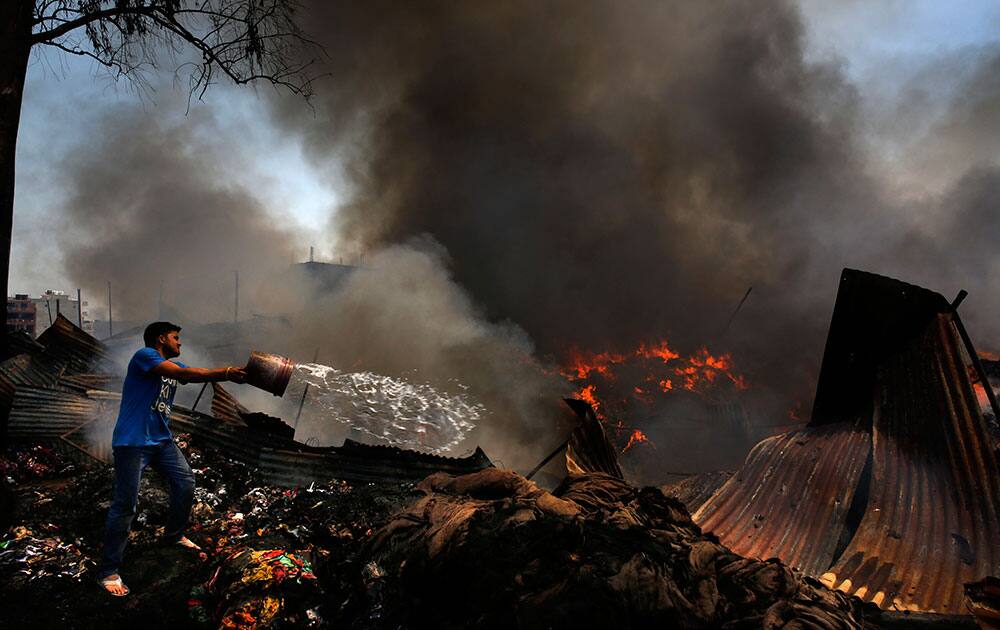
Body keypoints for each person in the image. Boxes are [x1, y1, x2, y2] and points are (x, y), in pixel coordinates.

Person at [97, 321, 247, 597]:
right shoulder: (145, 356)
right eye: (176, 338)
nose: (180, 343)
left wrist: (234, 374)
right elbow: (189, 372)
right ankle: (109, 571)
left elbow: (189, 375)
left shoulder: (172, 367)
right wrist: (225, 372)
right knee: (126, 504)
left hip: (161, 440)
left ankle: (174, 535)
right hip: (133, 441)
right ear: (161, 338)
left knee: (186, 482)